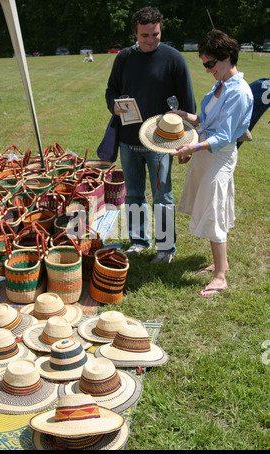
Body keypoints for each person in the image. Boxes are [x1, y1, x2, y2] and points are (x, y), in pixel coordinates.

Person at [105, 6, 196, 264]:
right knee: (133, 193)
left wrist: (185, 142)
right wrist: (114, 104)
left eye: (155, 34)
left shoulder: (173, 58)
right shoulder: (123, 58)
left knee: (162, 196)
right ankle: (138, 241)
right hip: (128, 140)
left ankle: (166, 247)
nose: (150, 40)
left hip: (160, 143)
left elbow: (188, 104)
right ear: (135, 32)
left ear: (160, 29)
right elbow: (111, 90)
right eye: (144, 35)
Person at [169, 29, 253, 297]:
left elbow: (225, 135)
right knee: (209, 205)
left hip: (219, 156)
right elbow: (206, 122)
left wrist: (191, 146)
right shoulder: (220, 86)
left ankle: (220, 277)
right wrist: (184, 115)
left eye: (210, 63)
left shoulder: (239, 91)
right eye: (205, 64)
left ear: (227, 57)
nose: (207, 70)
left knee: (215, 209)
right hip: (207, 154)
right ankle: (220, 263)